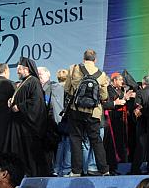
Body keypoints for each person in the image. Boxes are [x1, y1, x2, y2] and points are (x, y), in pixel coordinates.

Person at [64, 49, 109, 177]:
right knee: (96, 140)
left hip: (76, 110)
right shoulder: (101, 74)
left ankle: (76, 171)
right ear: (95, 60)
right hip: (94, 112)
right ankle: (104, 170)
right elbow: (104, 95)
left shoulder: (73, 68)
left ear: (84, 59)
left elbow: (67, 88)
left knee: (76, 139)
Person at [5, 57, 49, 178]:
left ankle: (32, 174)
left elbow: (36, 101)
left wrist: (19, 106)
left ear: (27, 69)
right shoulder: (26, 81)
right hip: (20, 125)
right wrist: (12, 100)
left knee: (29, 152)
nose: (17, 71)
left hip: (28, 126)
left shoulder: (33, 81)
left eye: (19, 69)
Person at [103, 71, 136, 172]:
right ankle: (113, 165)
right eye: (120, 79)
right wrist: (124, 98)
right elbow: (113, 102)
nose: (122, 81)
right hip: (113, 119)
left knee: (123, 141)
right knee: (114, 142)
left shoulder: (121, 90)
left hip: (122, 119)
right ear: (114, 80)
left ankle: (123, 162)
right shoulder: (109, 89)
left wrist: (126, 98)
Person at [38, 66, 65, 175]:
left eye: (41, 74)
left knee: (54, 147)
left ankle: (53, 169)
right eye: (38, 74)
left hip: (52, 123)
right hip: (45, 124)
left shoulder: (54, 87)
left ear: (48, 74)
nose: (39, 77)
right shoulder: (39, 88)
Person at [130, 72, 149, 175]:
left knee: (140, 147)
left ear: (143, 83)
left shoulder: (140, 92)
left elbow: (137, 108)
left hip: (142, 123)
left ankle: (135, 169)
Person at [53, 69, 72, 177]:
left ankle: (56, 168)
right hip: (67, 119)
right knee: (69, 144)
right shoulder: (68, 89)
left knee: (60, 145)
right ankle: (66, 169)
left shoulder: (53, 88)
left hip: (57, 121)